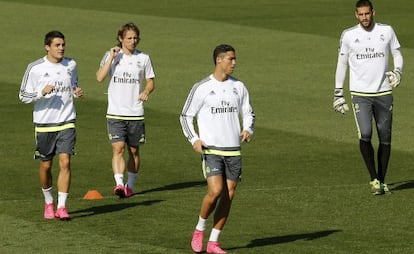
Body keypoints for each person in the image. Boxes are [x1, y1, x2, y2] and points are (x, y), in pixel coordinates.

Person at [180, 44, 255, 254]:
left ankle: (214, 242)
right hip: (212, 149)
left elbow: (249, 112)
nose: (234, 63)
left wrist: (248, 128)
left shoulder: (238, 86)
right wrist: (194, 139)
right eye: (230, 59)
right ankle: (199, 228)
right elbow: (185, 116)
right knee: (215, 191)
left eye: (234, 59)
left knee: (228, 194)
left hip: (233, 150)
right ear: (218, 60)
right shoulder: (202, 87)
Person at [333, 0, 403, 195]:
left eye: (367, 14)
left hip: (384, 92)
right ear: (356, 15)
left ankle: (382, 180)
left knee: (385, 138)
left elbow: (397, 54)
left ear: (373, 12)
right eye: (361, 14)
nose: (364, 18)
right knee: (365, 134)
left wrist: (398, 72)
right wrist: (338, 92)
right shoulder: (348, 35)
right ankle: (373, 179)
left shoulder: (386, 31)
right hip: (360, 94)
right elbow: (342, 63)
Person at [19, 30, 84, 220]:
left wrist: (76, 92)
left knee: (65, 162)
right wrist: (41, 92)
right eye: (57, 45)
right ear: (47, 47)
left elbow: (72, 85)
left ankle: (62, 207)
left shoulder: (71, 64)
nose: (61, 48)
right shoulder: (35, 68)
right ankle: (49, 202)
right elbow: (23, 96)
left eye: (63, 45)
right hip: (44, 124)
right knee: (46, 166)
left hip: (66, 121)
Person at [96, 22, 155, 198]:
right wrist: (111, 59)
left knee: (134, 151)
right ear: (121, 39)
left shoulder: (143, 58)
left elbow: (151, 80)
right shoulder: (111, 56)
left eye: (135, 38)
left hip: (135, 113)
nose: (133, 41)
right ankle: (119, 184)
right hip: (115, 112)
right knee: (118, 148)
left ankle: (130, 185)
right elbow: (99, 77)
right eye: (129, 38)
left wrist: (146, 90)